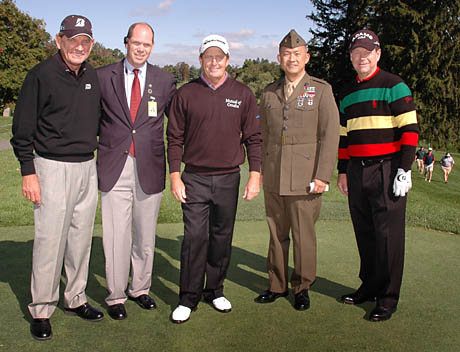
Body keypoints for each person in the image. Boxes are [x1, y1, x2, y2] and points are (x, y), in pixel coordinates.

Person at [10, 15, 103, 340]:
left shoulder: (93, 75)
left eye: (85, 42)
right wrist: (28, 172)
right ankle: (42, 308)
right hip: (50, 167)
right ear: (59, 40)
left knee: (80, 240)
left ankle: (75, 298)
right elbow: (21, 130)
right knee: (50, 241)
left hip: (86, 167)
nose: (79, 47)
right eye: (73, 40)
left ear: (91, 44)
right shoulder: (40, 75)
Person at [166, 34, 262, 323]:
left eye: (219, 57)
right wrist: (174, 176)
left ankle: (215, 290)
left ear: (228, 60)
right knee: (195, 237)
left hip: (228, 178)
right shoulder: (185, 94)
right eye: (209, 57)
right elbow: (174, 139)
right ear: (200, 61)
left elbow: (254, 138)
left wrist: (254, 175)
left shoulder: (243, 94)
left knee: (221, 237)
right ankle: (188, 297)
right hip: (194, 177)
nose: (214, 62)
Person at [336, 29, 419, 322]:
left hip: (387, 168)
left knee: (388, 237)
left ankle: (387, 297)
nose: (362, 57)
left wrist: (404, 169)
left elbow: (409, 129)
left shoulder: (394, 86)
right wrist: (343, 172)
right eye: (356, 52)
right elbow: (344, 137)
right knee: (365, 232)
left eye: (367, 52)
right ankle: (369, 286)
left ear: (378, 54)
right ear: (351, 56)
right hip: (357, 171)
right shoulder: (346, 93)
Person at [254, 29, 339, 311]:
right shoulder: (269, 92)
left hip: (305, 178)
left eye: (297, 54)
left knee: (304, 236)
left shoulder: (321, 89)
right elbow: (263, 134)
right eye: (287, 54)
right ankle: (276, 285)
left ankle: (302, 287)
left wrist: (322, 176)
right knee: (276, 234)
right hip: (275, 175)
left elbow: (330, 135)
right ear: (279, 58)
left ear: (307, 57)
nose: (292, 58)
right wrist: (261, 172)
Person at [96, 23, 176, 320]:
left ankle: (140, 289)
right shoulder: (103, 76)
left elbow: (178, 125)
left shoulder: (165, 80)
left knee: (145, 236)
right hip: (114, 165)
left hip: (149, 167)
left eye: (147, 44)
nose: (141, 48)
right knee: (116, 237)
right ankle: (116, 296)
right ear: (126, 42)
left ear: (153, 46)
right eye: (136, 43)